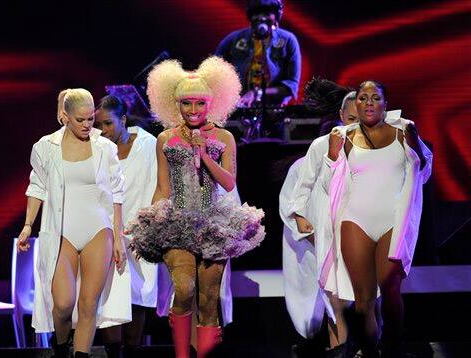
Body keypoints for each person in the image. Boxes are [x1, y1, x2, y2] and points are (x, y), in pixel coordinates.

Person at [126, 57, 265, 358]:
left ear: (211, 104)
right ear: (175, 105)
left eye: (199, 104)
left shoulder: (224, 137)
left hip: (215, 222)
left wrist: (205, 155)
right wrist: (148, 220)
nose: (193, 110)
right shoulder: (166, 138)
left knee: (208, 299)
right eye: (186, 104)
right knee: (185, 289)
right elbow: (163, 187)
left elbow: (229, 183)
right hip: (178, 222)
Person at [322, 80, 433, 357]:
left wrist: (416, 142)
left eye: (375, 97)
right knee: (363, 301)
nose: (369, 102)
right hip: (355, 220)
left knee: (390, 287)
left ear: (385, 104)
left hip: (392, 222)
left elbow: (423, 171)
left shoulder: (402, 133)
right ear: (355, 103)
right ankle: (370, 352)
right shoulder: (343, 137)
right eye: (363, 97)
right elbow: (329, 185)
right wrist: (332, 155)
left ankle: (392, 348)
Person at [17, 88, 127, 358]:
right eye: (81, 120)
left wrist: (118, 236)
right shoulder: (46, 147)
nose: (88, 125)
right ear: (64, 116)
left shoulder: (105, 147)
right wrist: (28, 225)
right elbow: (37, 187)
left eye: (91, 119)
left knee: (89, 304)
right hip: (61, 231)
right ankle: (60, 345)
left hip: (98, 229)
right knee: (64, 304)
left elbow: (116, 193)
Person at [280, 80, 358, 358]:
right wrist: (315, 235)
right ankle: (338, 348)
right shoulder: (303, 167)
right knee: (329, 302)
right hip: (316, 247)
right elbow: (292, 207)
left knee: (351, 303)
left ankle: (350, 348)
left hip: (353, 245)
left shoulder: (366, 161)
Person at [94, 95, 159, 357]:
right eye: (99, 125)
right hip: (108, 233)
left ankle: (132, 351)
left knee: (138, 297)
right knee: (110, 298)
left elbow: (158, 184)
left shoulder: (148, 145)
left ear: (123, 120)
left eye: (108, 124)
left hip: (141, 231)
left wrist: (149, 221)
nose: (103, 130)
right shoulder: (96, 148)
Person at [215, 0, 301, 107]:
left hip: (274, 110)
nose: (261, 18)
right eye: (256, 13)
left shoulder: (288, 40)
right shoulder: (235, 38)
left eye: (266, 13)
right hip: (240, 109)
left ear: (277, 16)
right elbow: (213, 70)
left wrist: (256, 94)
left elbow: (291, 86)